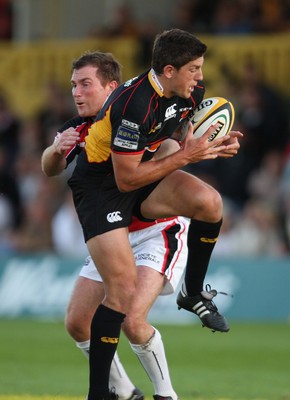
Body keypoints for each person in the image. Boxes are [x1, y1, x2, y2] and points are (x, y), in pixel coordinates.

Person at [68, 29, 243, 400]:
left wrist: (217, 143)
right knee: (120, 293)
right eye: (193, 69)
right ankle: (99, 393)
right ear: (168, 70)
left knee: (210, 203)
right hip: (103, 188)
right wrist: (187, 155)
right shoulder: (134, 103)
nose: (199, 77)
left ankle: (191, 292)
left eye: (200, 68)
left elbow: (178, 134)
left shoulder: (189, 92)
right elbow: (125, 180)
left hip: (141, 172)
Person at [42, 50, 191, 400]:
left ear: (112, 86)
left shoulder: (139, 114)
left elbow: (171, 145)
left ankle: (167, 394)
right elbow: (50, 167)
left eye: (85, 84)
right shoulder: (79, 128)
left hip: (156, 230)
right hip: (114, 236)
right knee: (78, 321)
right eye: (73, 85)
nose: (76, 92)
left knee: (132, 321)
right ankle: (124, 391)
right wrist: (55, 151)